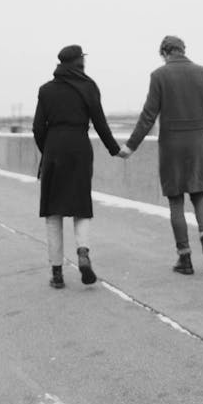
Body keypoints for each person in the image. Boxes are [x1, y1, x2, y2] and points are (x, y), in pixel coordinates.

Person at [119, 35, 203, 275]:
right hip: (197, 143)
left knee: (176, 200)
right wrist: (201, 132)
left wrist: (131, 146)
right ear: (183, 50)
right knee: (198, 194)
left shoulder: (159, 76)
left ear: (164, 52)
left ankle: (184, 258)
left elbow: (148, 115)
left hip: (171, 146)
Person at [32, 44, 121, 289]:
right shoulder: (89, 86)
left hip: (54, 150)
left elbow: (38, 128)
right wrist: (115, 149)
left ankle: (57, 272)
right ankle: (82, 253)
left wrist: (48, 149)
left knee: (53, 212)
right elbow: (100, 123)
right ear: (78, 62)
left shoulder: (46, 90)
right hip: (80, 149)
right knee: (81, 207)